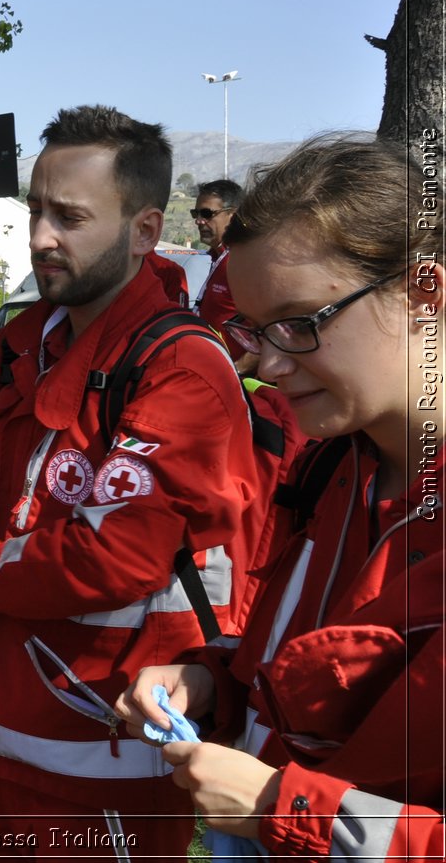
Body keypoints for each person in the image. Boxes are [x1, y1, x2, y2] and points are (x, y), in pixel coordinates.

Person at [0, 105, 269, 859]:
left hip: (112, 751)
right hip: (4, 731)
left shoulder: (182, 363)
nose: (38, 237)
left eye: (69, 217)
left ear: (144, 231)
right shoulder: (23, 337)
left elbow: (111, 554)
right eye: (35, 210)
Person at [116, 136, 442, 860]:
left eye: (301, 323)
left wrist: (279, 806)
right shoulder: (329, 469)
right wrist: (213, 682)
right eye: (256, 330)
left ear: (423, 293)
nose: (267, 361)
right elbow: (308, 672)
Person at [191, 179, 247, 363]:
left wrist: (238, 370)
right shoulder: (216, 257)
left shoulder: (243, 261)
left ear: (233, 215)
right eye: (196, 213)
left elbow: (275, 327)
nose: (199, 221)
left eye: (207, 213)